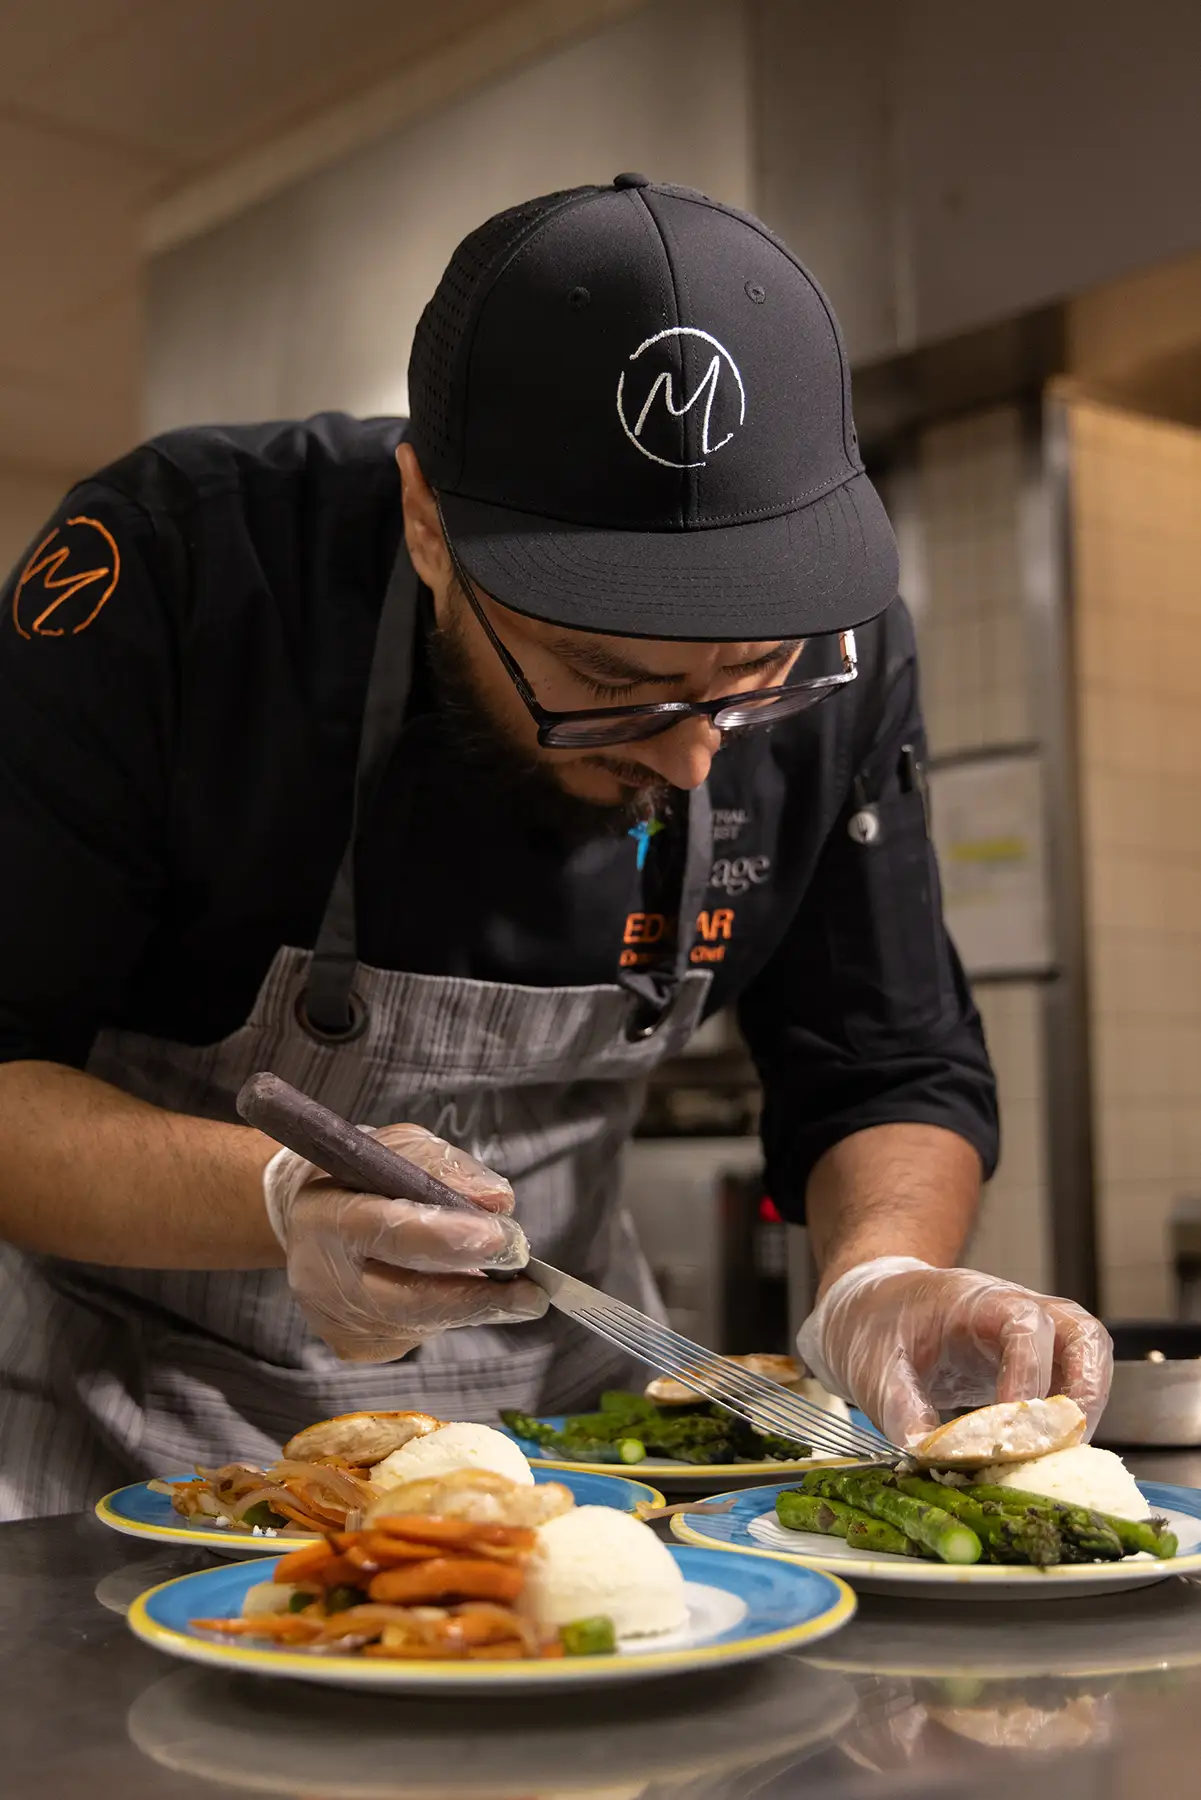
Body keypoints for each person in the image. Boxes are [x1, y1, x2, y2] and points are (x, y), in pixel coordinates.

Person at [0, 175, 1110, 1519]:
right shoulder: (181, 575)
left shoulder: (844, 639)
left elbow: (887, 1064)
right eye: (607, 680)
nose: (698, 749)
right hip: (135, 1440)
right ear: (427, 523)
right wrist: (283, 1196)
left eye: (751, 677)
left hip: (576, 1458)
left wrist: (879, 1279)